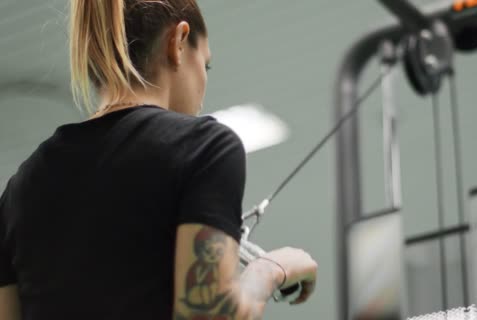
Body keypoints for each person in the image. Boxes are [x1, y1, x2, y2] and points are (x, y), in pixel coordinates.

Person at [0, 1, 318, 319]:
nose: (203, 91)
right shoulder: (204, 146)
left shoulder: (20, 187)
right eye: (205, 66)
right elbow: (207, 314)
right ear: (178, 42)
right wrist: (272, 269)